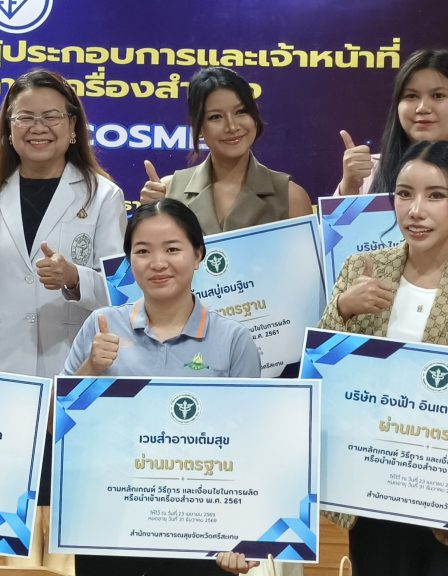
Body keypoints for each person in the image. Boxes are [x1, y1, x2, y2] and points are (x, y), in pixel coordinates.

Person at [0, 68, 125, 575]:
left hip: (72, 369)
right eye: (24, 117)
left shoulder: (102, 195)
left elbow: (123, 294)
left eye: (52, 116)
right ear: (8, 128)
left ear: (73, 127)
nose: (38, 127)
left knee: (63, 510)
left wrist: (76, 278)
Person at [63, 199, 262, 576]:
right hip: (109, 525)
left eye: (172, 249)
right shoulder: (101, 325)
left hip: (202, 530)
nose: (157, 263)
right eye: (142, 251)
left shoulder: (232, 339)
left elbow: (252, 445)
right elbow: (60, 427)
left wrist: (244, 535)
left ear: (198, 254)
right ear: (128, 260)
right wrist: (90, 368)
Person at [319, 140, 448, 575]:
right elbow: (320, 369)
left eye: (436, 195)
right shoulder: (364, 266)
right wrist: (342, 310)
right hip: (371, 483)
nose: (416, 210)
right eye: (404, 194)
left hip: (439, 488)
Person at [140, 67, 312, 233]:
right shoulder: (169, 192)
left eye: (241, 111)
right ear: (198, 126)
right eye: (216, 117)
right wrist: (150, 215)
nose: (232, 126)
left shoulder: (290, 197)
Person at [336, 49, 448, 196]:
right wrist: (349, 186)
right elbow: (340, 212)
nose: (422, 108)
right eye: (411, 96)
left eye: (438, 95)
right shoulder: (369, 170)